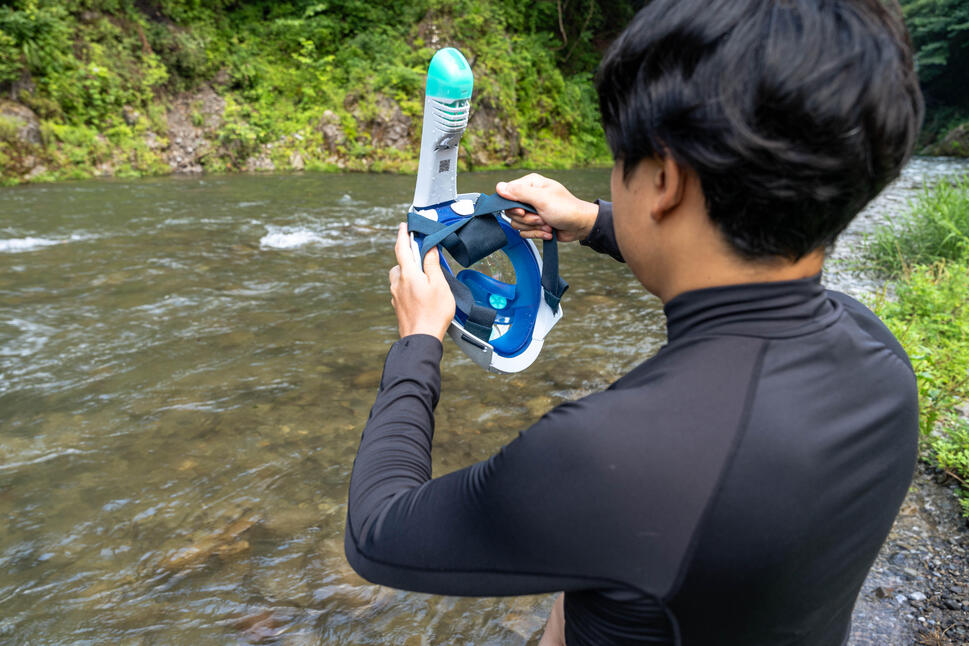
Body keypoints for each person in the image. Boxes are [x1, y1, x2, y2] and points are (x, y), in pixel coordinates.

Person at [344, 0, 924, 643]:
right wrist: (591, 220)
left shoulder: (609, 458)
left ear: (666, 181)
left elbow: (377, 530)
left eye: (622, 161)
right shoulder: (881, 361)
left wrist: (418, 343)